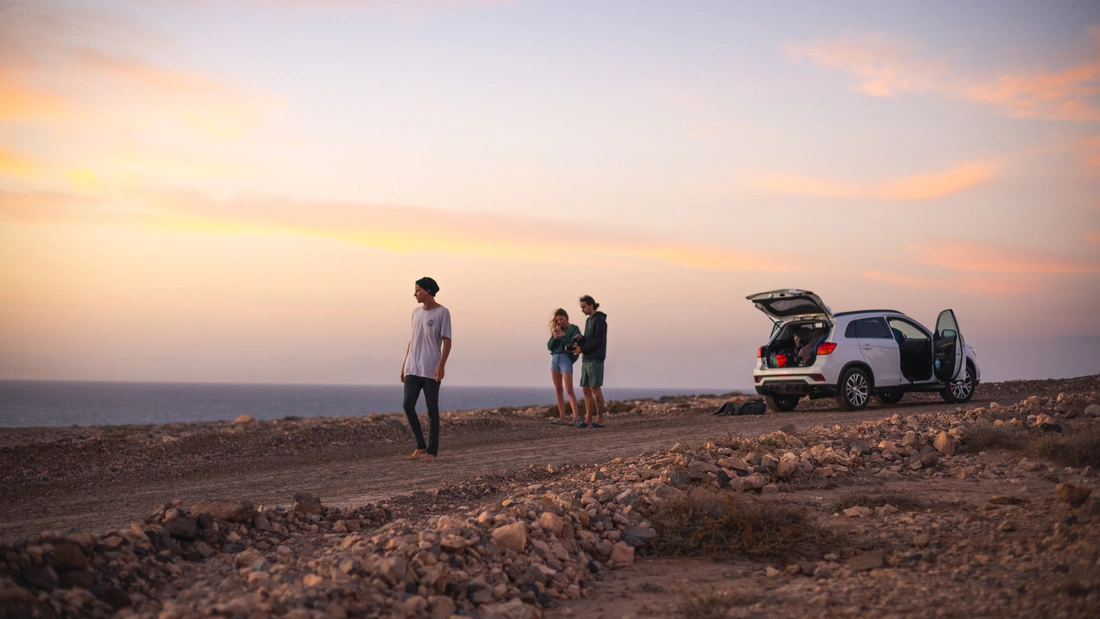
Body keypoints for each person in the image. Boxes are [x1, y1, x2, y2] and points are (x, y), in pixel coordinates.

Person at [400, 277, 452, 463]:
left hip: (431, 368)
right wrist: (404, 365)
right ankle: (420, 445)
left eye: (418, 290)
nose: (415, 294)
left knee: (432, 411)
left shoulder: (442, 313)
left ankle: (432, 452)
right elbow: (412, 340)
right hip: (412, 367)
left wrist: (441, 365)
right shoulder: (415, 313)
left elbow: (447, 341)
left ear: (428, 291)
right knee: (407, 405)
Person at [571, 295, 607, 428]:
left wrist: (582, 348)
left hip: (595, 358)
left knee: (595, 388)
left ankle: (600, 419)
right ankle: (588, 418)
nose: (583, 310)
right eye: (581, 307)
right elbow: (591, 339)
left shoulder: (599, 319)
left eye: (584, 307)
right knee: (585, 389)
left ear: (591, 305)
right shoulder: (589, 321)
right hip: (586, 358)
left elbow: (598, 341)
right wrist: (582, 338)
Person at [547, 308, 582, 426]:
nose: (560, 322)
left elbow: (575, 344)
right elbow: (550, 347)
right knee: (558, 389)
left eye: (561, 319)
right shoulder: (557, 331)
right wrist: (554, 338)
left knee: (569, 389)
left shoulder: (574, 329)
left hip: (565, 358)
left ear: (566, 317)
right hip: (555, 358)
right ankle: (563, 418)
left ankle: (576, 418)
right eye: (558, 320)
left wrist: (564, 337)